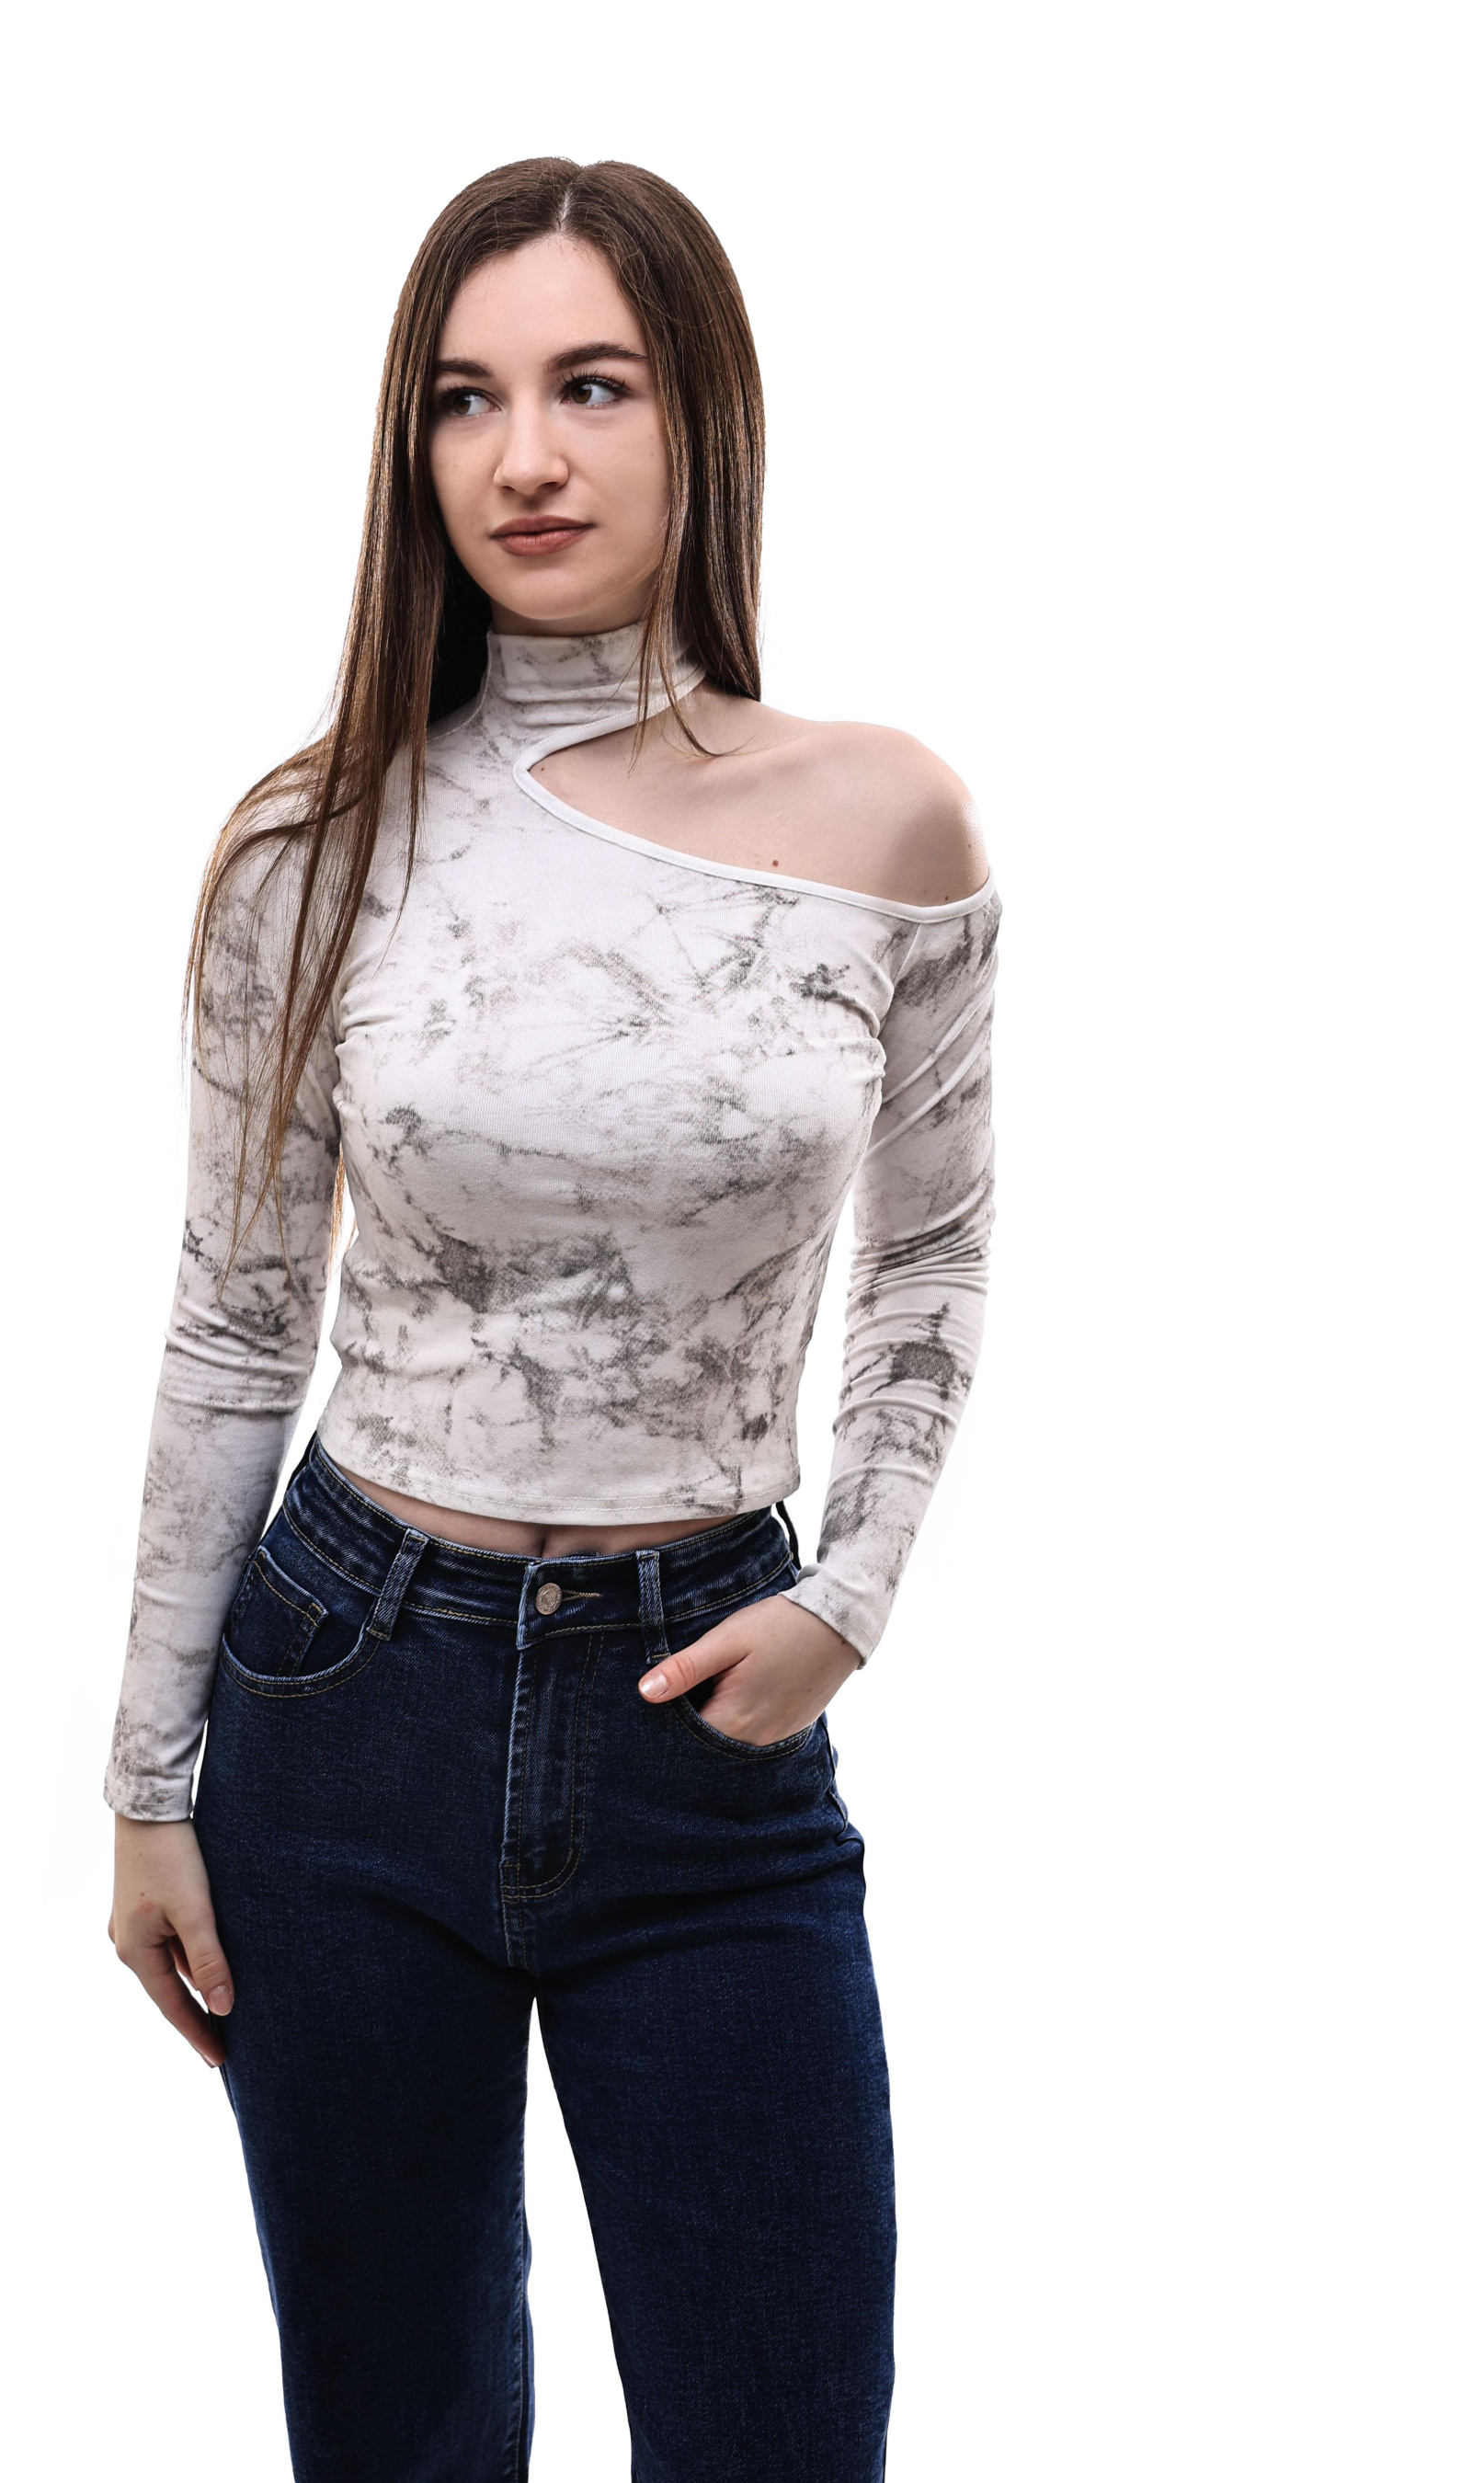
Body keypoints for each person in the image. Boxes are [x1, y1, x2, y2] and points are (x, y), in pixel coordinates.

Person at [105, 155, 997, 2483]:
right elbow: (230, 1327)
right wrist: (147, 1785)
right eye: (463, 398)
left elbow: (926, 1258)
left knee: (778, 2432)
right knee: (395, 2445)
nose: (523, 456)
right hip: (341, 1706)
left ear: (702, 413)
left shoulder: (882, 823)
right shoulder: (311, 845)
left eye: (591, 386)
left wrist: (850, 1595)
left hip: (706, 1724)